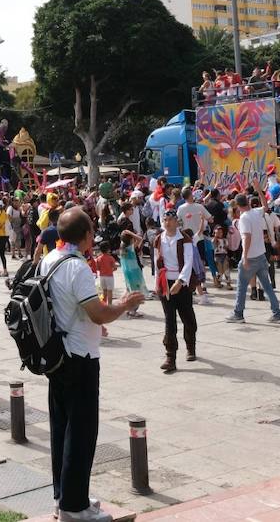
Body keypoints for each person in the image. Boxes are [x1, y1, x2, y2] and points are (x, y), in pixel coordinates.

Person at [40, 208, 144, 522]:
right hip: (79, 358)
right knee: (81, 432)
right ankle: (74, 507)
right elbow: (97, 313)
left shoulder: (49, 260)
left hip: (57, 356)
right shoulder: (78, 268)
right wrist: (124, 305)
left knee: (61, 428)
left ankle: (66, 496)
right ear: (86, 236)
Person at [155, 210, 201, 374]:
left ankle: (191, 346)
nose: (168, 223)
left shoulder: (185, 239)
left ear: (177, 221)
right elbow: (157, 262)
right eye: (165, 220)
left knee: (187, 316)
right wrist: (157, 283)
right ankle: (170, 357)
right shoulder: (158, 239)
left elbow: (188, 262)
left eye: (171, 219)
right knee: (169, 319)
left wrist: (180, 282)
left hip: (182, 283)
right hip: (165, 283)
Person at [228, 195, 280, 325]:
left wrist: (245, 257)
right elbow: (266, 206)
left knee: (241, 286)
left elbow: (246, 238)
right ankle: (277, 313)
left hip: (251, 257)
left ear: (237, 205)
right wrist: (259, 190)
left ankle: (238, 313)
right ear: (247, 202)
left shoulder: (244, 218)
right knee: (267, 286)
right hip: (261, 255)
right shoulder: (256, 212)